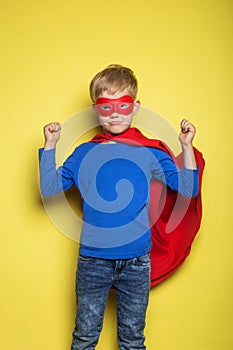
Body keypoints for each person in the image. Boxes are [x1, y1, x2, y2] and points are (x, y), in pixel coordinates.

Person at [39, 64, 200, 350]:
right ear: (95, 110)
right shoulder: (84, 152)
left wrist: (186, 146)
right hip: (93, 263)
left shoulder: (149, 153)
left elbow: (188, 189)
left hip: (136, 263)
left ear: (136, 107)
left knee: (132, 340)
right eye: (106, 105)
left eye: (123, 105)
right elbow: (50, 189)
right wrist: (50, 145)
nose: (115, 113)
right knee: (85, 336)